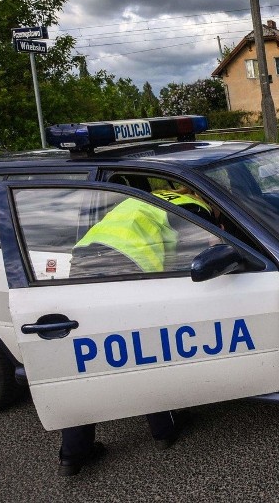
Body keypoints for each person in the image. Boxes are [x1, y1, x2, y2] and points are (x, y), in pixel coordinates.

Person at [58, 188, 215, 476]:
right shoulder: (194, 209)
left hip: (82, 260)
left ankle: (72, 454)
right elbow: (203, 255)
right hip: (126, 268)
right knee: (144, 353)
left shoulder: (154, 196)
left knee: (86, 367)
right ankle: (164, 430)